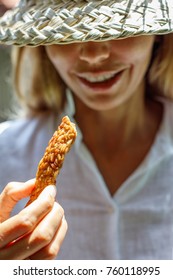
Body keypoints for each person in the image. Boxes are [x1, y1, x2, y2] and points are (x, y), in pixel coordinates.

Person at [0, 0, 173, 260]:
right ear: (44, 44)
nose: (93, 54)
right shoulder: (5, 153)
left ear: (158, 35)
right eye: (66, 28)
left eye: (119, 27)